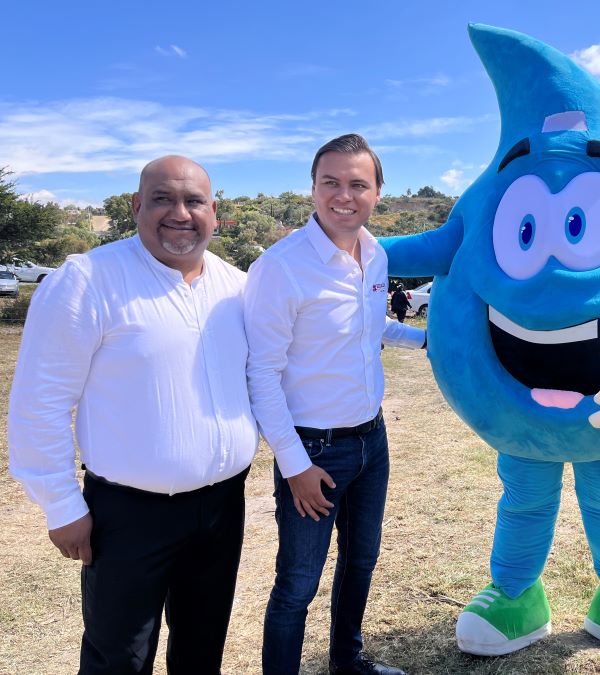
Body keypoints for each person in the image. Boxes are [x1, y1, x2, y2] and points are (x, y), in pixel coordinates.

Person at [8, 156, 259, 674]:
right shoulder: (87, 280)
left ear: (215, 211)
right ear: (135, 205)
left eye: (193, 201)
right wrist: (60, 505)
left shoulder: (237, 287)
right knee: (118, 656)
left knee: (202, 647)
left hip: (221, 506)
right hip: (126, 516)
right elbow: (42, 400)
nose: (180, 213)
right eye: (163, 199)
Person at [244, 134, 425, 675]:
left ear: (377, 192)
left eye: (357, 184)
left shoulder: (376, 253)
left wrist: (426, 339)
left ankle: (347, 662)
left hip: (372, 439)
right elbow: (261, 374)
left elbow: (367, 330)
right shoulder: (281, 267)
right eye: (331, 183)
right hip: (312, 451)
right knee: (297, 584)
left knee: (361, 563)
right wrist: (295, 466)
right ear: (314, 188)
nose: (343, 196)